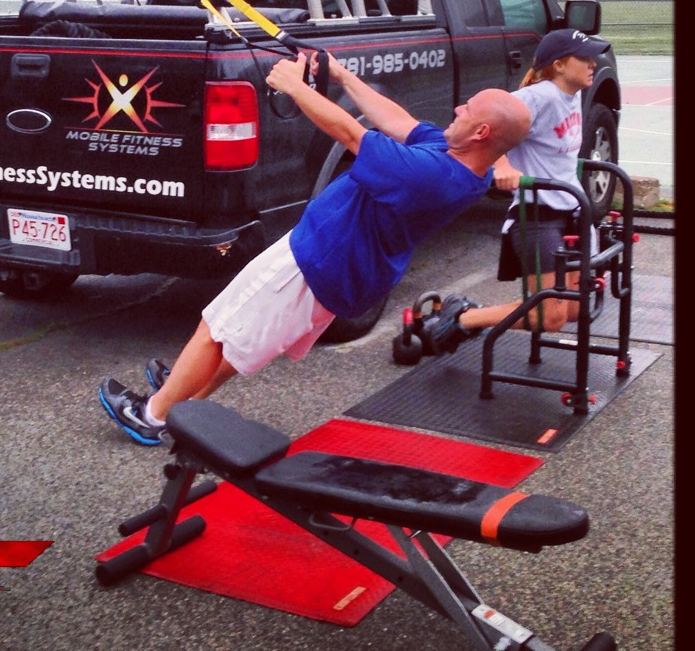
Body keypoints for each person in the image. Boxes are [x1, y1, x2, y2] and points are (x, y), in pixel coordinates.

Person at [98, 49, 533, 445]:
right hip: (337, 268)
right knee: (242, 336)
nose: (457, 108)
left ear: (481, 131)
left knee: (216, 329)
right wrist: (343, 76)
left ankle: (151, 416)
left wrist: (294, 86)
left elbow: (350, 134)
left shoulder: (431, 174)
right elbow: (398, 121)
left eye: (467, 109)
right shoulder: (465, 163)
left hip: (315, 260)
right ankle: (184, 399)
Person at [416, 27, 612, 351]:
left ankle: (470, 316)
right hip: (538, 214)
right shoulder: (540, 96)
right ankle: (465, 317)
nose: (593, 64)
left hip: (573, 209)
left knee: (576, 309)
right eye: (584, 58)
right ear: (559, 65)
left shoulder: (573, 94)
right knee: (549, 316)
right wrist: (502, 164)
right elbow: (484, 123)